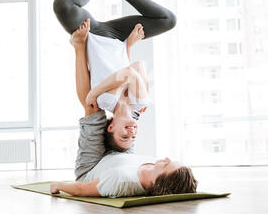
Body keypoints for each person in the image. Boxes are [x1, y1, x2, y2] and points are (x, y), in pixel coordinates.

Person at [49, 12, 197, 198]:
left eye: (166, 165)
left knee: (92, 107)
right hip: (123, 151)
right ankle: (119, 117)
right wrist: (127, 46)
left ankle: (78, 46)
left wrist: (58, 185)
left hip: (92, 167)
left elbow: (81, 189)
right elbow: (131, 72)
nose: (165, 158)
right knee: (127, 112)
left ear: (155, 180)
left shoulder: (122, 181)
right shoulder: (153, 163)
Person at [53, 0, 176, 152]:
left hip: (91, 35)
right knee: (168, 20)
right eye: (133, 137)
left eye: (124, 136)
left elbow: (126, 74)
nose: (131, 132)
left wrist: (81, 45)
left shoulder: (102, 102)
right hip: (120, 39)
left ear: (111, 127)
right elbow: (134, 68)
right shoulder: (140, 103)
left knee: (63, 5)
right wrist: (128, 46)